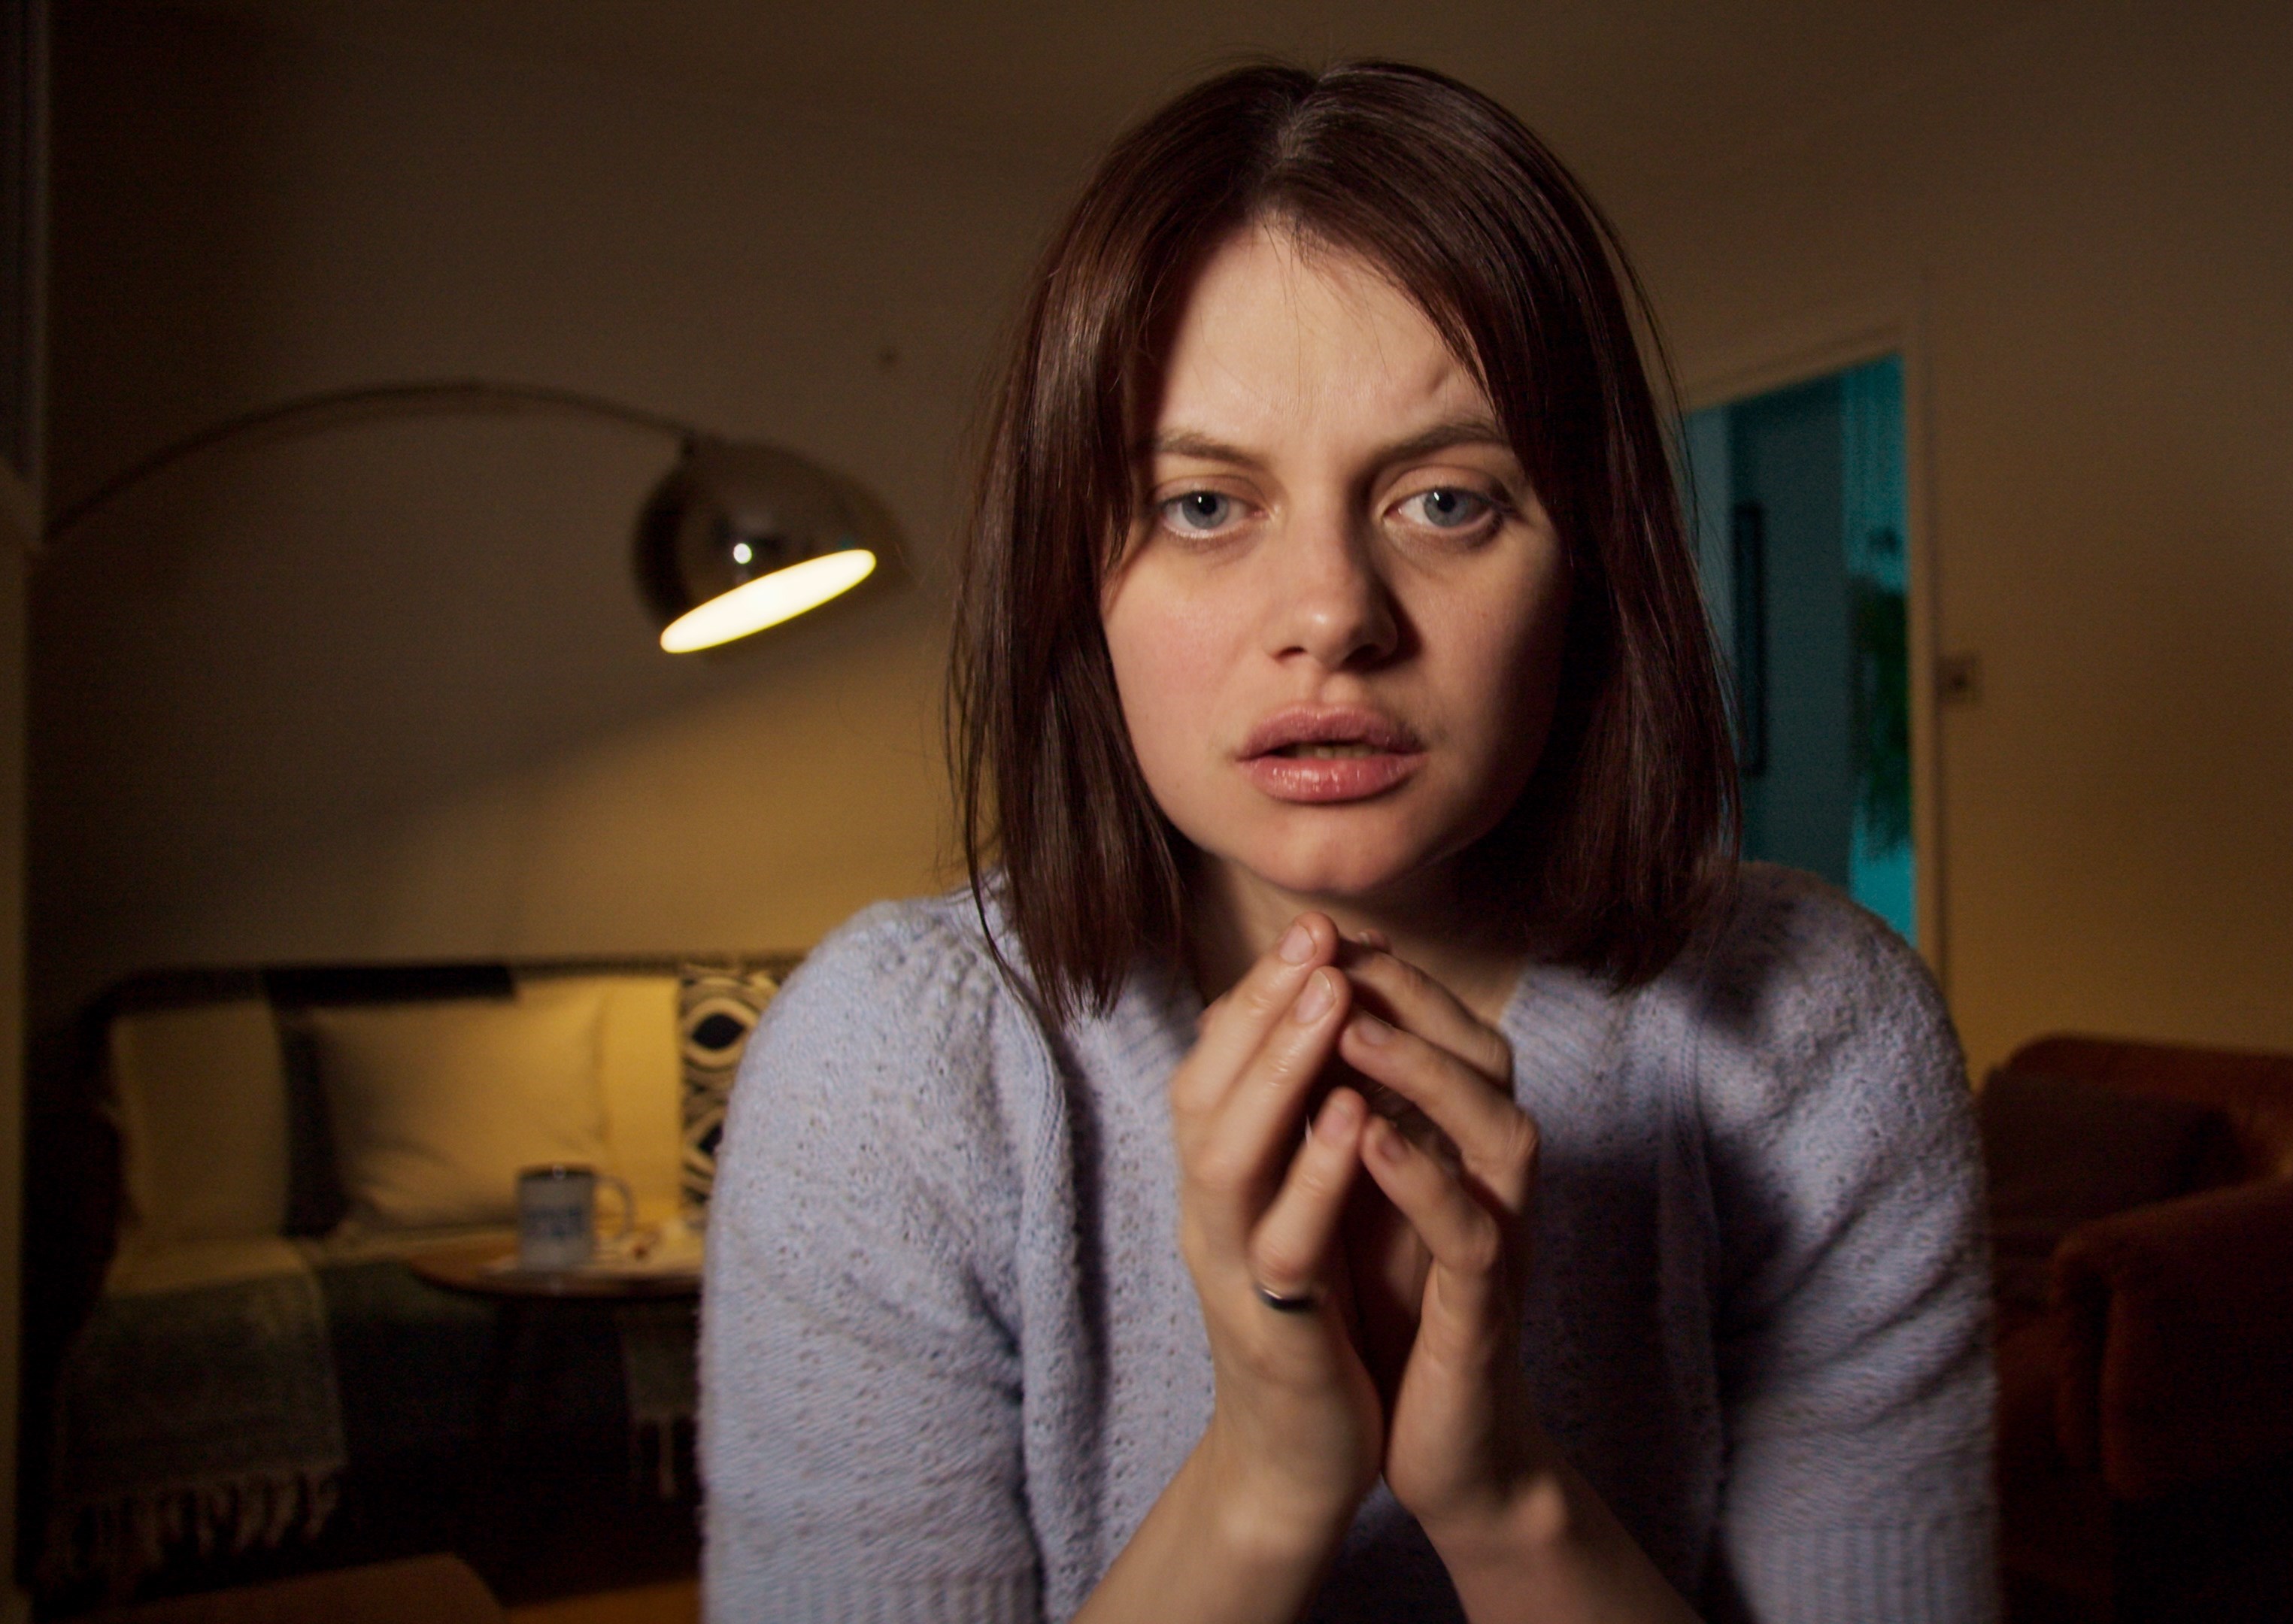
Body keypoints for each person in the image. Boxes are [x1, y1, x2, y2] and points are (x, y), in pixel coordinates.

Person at [701, 59, 1994, 1624]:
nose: (1330, 614)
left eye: (1447, 501)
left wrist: (1503, 1497)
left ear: (1595, 563)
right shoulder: (890, 1073)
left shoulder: (1818, 1030)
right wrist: (1265, 1479)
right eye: (1202, 505)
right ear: (1075, 584)